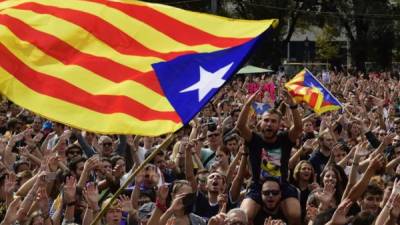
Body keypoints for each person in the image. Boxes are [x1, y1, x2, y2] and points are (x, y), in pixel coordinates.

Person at [236, 89, 303, 225]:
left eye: (273, 121)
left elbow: (298, 128)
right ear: (260, 123)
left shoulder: (285, 139)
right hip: (258, 186)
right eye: (266, 120)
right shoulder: (254, 139)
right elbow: (240, 126)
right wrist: (247, 105)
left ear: (279, 125)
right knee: (243, 216)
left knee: (295, 214)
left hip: (282, 184)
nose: (269, 124)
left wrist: (293, 106)